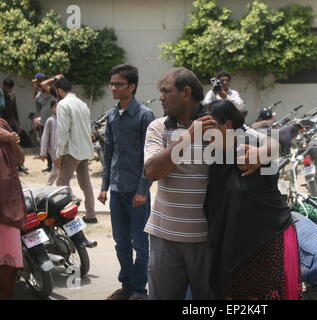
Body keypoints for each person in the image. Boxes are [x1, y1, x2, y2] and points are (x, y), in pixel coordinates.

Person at [143, 67, 274, 300]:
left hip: (208, 240)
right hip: (164, 238)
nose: (160, 97)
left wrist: (262, 153)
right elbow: (152, 171)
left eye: (166, 91)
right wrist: (188, 138)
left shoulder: (216, 126)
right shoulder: (158, 127)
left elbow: (274, 144)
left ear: (185, 93)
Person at [203, 99, 301, 300]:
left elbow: (265, 194)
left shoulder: (251, 152)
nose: (204, 133)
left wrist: (264, 153)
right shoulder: (217, 158)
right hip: (230, 247)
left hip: (262, 244)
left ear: (227, 125)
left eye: (210, 125)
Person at [98, 64, 155, 300]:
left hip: (137, 192)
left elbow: (149, 156)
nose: (113, 87)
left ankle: (140, 289)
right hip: (116, 190)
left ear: (131, 87)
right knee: (121, 242)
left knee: (140, 245)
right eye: (111, 83)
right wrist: (103, 186)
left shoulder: (144, 115)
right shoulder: (111, 116)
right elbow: (108, 153)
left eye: (118, 84)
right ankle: (127, 286)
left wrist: (143, 189)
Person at [54, 77, 97, 224]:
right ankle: (91, 214)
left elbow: (63, 131)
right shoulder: (82, 104)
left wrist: (59, 153)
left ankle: (65, 216)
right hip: (85, 149)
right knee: (85, 183)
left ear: (59, 90)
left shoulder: (62, 104)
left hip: (71, 150)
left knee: (62, 184)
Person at [0, 117, 26, 300]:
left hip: (9, 206)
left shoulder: (3, 125)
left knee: (7, 274)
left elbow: (19, 159)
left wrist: (9, 138)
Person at [39, 98, 59, 186]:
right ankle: (66, 191)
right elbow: (45, 137)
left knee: (56, 169)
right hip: (54, 149)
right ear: (51, 108)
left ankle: (48, 185)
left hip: (64, 148)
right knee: (59, 170)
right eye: (56, 106)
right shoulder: (50, 120)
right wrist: (43, 152)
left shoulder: (65, 119)